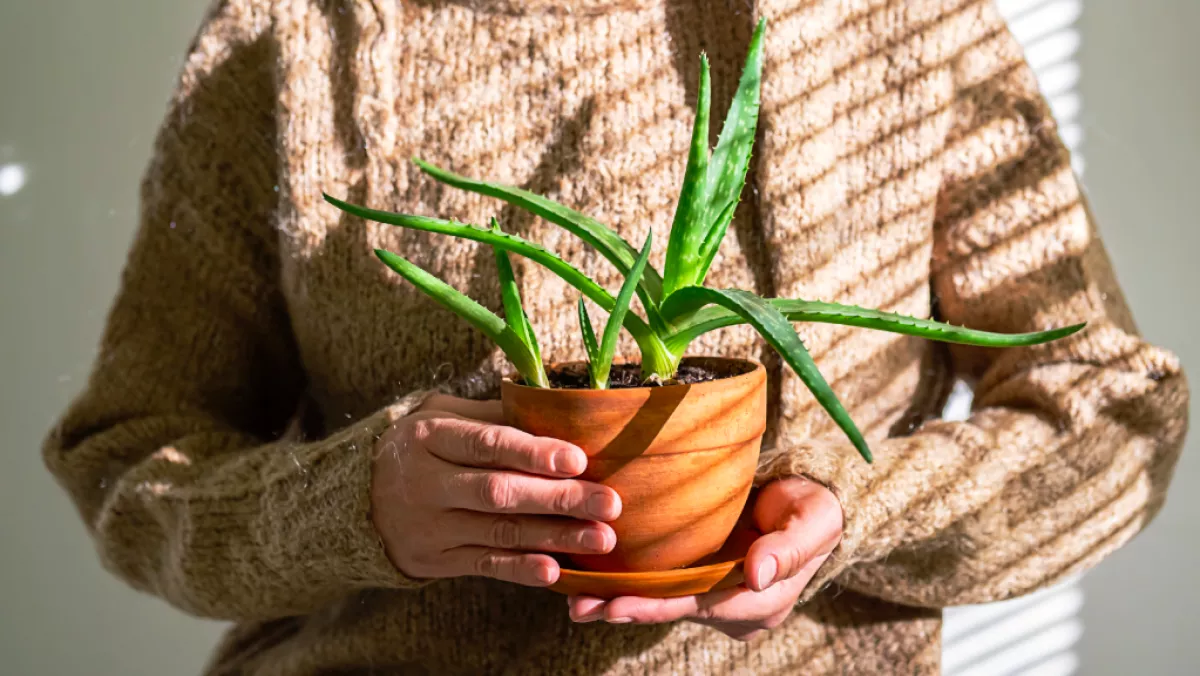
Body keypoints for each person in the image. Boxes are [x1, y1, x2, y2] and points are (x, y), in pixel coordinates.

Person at [42, 1, 1189, 674]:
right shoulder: (294, 38)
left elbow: (1112, 410)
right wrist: (354, 505)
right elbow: (129, 456)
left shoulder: (890, 24)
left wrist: (853, 510)